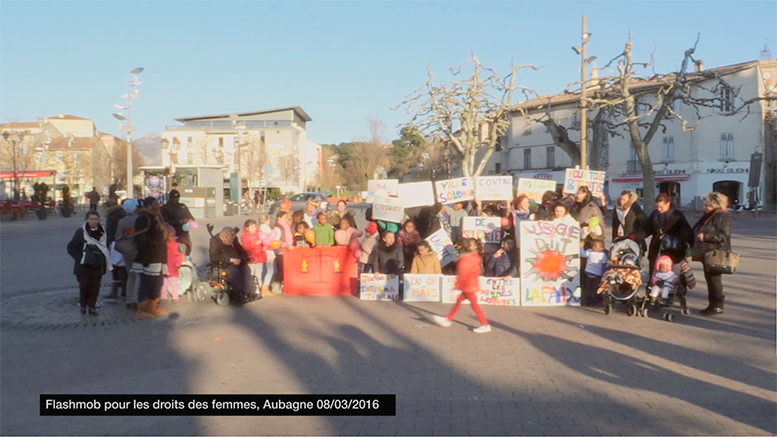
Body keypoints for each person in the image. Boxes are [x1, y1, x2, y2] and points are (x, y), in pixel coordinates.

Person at [432, 238, 491, 333]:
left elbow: (464, 273)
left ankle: (485, 324)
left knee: (474, 305)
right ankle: (448, 319)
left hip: (468, 285)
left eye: (471, 244)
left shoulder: (468, 258)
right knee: (459, 301)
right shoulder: (474, 257)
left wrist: (458, 284)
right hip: (469, 284)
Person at [692, 191, 733, 315]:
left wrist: (705, 237)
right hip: (707, 251)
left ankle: (717, 305)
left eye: (708, 205)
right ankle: (713, 304)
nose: (706, 207)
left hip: (715, 252)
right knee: (710, 279)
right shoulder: (710, 215)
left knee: (714, 280)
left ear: (717, 204)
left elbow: (724, 236)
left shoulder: (722, 216)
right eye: (706, 204)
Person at [67, 210, 112, 315]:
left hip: (98, 265)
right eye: (91, 219)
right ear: (86, 220)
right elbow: (71, 247)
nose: (94, 221)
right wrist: (80, 257)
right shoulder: (81, 232)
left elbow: (106, 246)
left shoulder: (103, 232)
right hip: (83, 266)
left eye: (96, 219)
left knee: (95, 286)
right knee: (84, 285)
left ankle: (92, 306)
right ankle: (83, 305)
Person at [133, 197, 169, 319]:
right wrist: (145, 257)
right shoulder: (143, 218)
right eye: (155, 204)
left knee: (157, 283)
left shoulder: (156, 217)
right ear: (149, 205)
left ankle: (154, 306)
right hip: (148, 257)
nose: (158, 206)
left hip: (158, 256)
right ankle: (142, 309)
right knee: (146, 283)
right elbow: (139, 239)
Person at [645, 193, 693, 278]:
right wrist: (634, 236)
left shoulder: (677, 215)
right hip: (657, 248)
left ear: (668, 204)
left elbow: (686, 230)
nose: (659, 209)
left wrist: (688, 244)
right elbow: (647, 229)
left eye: (661, 207)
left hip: (673, 249)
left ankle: (675, 284)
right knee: (655, 274)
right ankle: (652, 284)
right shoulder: (654, 214)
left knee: (673, 275)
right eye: (657, 207)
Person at [209, 226, 257, 302]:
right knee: (235, 272)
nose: (233, 239)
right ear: (226, 235)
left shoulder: (234, 239)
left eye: (234, 237)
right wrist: (230, 260)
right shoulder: (214, 242)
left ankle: (250, 292)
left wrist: (241, 258)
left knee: (245, 269)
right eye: (231, 237)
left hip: (237, 262)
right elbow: (214, 257)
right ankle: (239, 293)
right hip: (224, 265)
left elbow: (242, 251)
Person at [114, 199, 141, 309]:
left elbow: (117, 237)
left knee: (130, 275)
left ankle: (129, 299)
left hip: (126, 250)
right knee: (138, 275)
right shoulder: (139, 219)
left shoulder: (122, 221)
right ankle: (136, 299)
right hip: (137, 249)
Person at [160, 189, 195, 256]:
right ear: (170, 198)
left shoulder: (182, 206)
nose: (176, 199)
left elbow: (191, 217)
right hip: (172, 235)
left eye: (177, 197)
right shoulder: (165, 208)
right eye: (174, 198)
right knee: (173, 252)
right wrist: (180, 221)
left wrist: (190, 220)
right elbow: (165, 222)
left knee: (187, 250)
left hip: (184, 234)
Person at [105, 199, 127, 298]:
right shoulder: (123, 214)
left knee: (115, 267)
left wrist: (107, 243)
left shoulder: (111, 217)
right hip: (124, 241)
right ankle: (124, 289)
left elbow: (109, 231)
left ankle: (115, 290)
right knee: (123, 266)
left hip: (114, 243)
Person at [241, 219, 267, 299]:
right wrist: (254, 243)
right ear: (247, 228)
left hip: (259, 257)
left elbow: (266, 240)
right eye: (251, 227)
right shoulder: (244, 236)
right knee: (251, 275)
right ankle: (251, 290)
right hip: (250, 259)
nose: (254, 229)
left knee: (258, 275)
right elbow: (245, 247)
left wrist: (265, 246)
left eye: (254, 227)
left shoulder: (259, 233)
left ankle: (258, 290)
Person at [580, 239, 608, 307]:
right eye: (593, 245)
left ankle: (595, 301)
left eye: (595, 246)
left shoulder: (603, 255)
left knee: (595, 289)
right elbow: (583, 254)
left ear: (601, 248)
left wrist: (603, 275)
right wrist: (581, 247)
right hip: (588, 272)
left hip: (597, 275)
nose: (593, 247)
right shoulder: (589, 251)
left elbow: (603, 266)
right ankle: (587, 301)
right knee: (588, 288)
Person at [161, 224, 184, 304]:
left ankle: (175, 296)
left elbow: (180, 255)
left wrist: (178, 263)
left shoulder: (176, 245)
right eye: (171, 236)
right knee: (164, 283)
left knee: (174, 283)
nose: (173, 238)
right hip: (165, 265)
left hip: (173, 266)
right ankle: (163, 296)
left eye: (173, 236)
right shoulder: (163, 244)